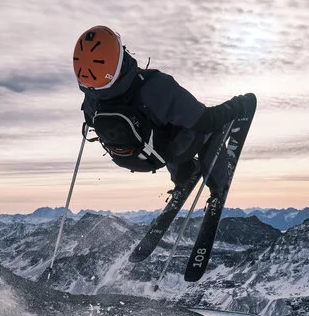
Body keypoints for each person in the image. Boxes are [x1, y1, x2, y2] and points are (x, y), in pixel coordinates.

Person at [72, 25, 251, 201]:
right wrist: (235, 106)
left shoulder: (92, 99)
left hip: (129, 158)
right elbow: (205, 121)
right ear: (121, 56)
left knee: (163, 125)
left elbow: (90, 120)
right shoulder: (155, 86)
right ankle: (217, 190)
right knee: (206, 129)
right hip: (164, 153)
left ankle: (183, 175)